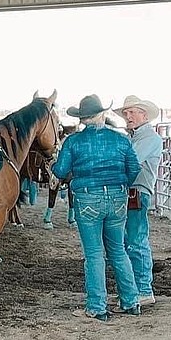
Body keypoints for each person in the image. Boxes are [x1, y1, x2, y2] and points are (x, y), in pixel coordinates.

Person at [51, 94, 139, 322]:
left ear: (82, 119)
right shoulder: (120, 139)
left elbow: (60, 171)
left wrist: (54, 164)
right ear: (102, 114)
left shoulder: (73, 142)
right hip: (118, 197)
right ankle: (131, 301)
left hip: (87, 198)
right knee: (118, 250)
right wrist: (121, 184)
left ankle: (97, 306)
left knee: (93, 254)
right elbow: (135, 168)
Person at [115, 94, 164, 308]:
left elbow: (129, 161)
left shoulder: (148, 138)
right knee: (131, 241)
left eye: (131, 112)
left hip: (137, 192)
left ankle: (144, 289)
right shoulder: (138, 137)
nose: (128, 116)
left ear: (144, 114)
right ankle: (138, 289)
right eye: (126, 113)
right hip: (134, 192)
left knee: (135, 241)